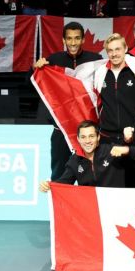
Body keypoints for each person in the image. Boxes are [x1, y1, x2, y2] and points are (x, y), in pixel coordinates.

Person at [33, 22, 102, 181]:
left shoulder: (95, 60)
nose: (73, 43)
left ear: (83, 39)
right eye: (69, 38)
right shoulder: (53, 60)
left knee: (93, 175)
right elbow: (33, 84)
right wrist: (35, 68)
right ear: (63, 40)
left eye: (77, 38)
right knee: (59, 175)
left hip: (88, 132)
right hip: (61, 130)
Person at [39, 120, 135, 188]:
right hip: (92, 211)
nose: (87, 141)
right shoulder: (75, 160)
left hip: (117, 208)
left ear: (98, 137)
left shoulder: (111, 151)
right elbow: (63, 183)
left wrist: (127, 150)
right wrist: (50, 185)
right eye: (83, 137)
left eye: (91, 136)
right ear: (78, 139)